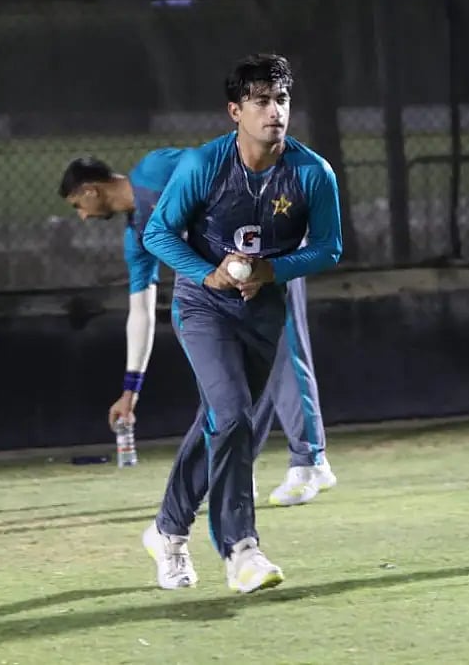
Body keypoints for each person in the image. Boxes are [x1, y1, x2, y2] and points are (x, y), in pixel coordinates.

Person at [141, 53, 342, 592]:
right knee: (234, 417)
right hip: (204, 306)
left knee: (221, 421)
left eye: (281, 100)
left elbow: (329, 248)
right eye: (260, 102)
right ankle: (241, 550)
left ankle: (167, 531)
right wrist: (209, 275)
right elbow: (157, 235)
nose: (273, 111)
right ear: (236, 110)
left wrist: (271, 270)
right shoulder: (203, 165)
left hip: (262, 310)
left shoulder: (311, 172)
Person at [57, 153, 337, 506]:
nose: (82, 216)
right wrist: (131, 391)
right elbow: (140, 312)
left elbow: (225, 164)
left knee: (285, 348)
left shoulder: (155, 168)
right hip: (224, 287)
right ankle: (238, 472)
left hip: (265, 242)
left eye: (77, 205)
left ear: (91, 191)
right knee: (239, 375)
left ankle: (311, 461)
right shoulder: (138, 238)